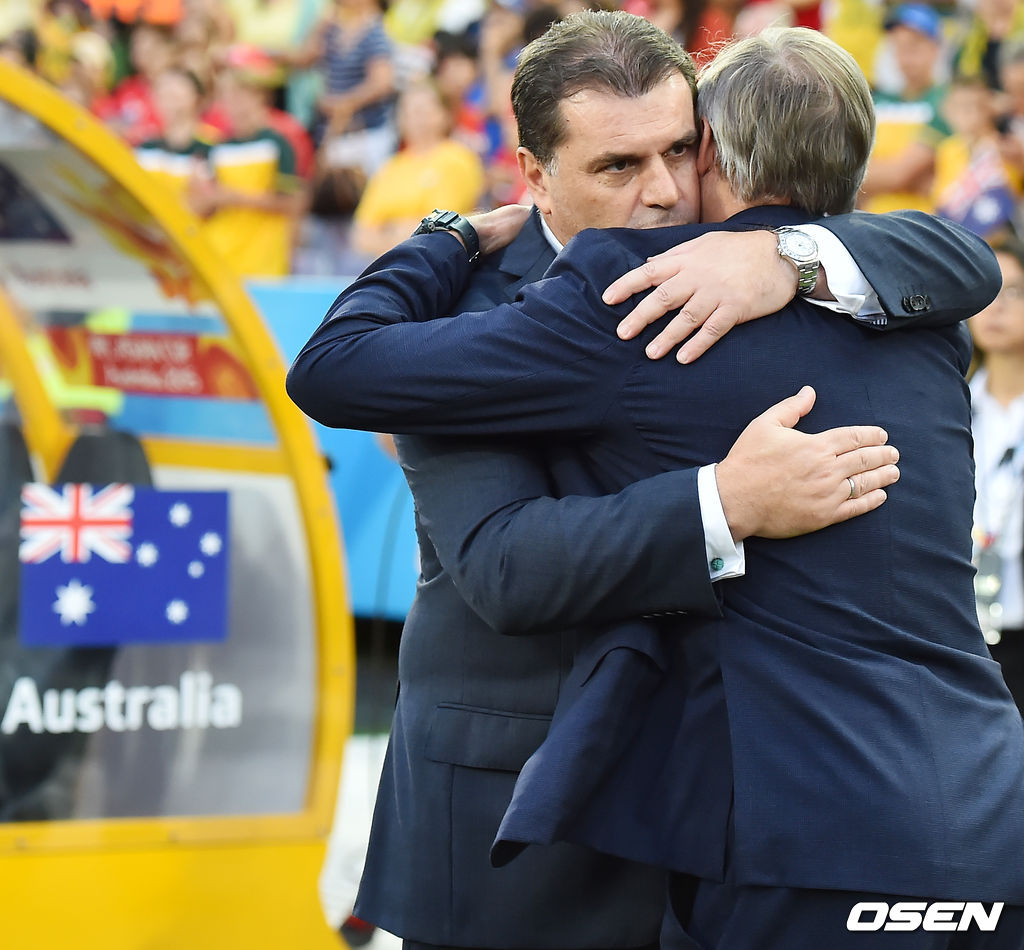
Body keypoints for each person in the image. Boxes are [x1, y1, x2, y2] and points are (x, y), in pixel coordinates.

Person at [288, 22, 1024, 947]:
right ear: (534, 172)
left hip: (737, 824)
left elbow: (958, 264)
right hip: (520, 827)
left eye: (681, 150)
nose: (666, 191)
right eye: (619, 166)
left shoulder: (802, 274)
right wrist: (725, 502)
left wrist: (780, 256)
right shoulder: (465, 313)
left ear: (714, 143)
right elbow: (507, 565)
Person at [969, 239, 1024, 714]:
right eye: (988, 293)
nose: (998, 308)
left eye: (1014, 293)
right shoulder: (954, 405)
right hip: (972, 628)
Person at [351, 78, 484, 258]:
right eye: (408, 112)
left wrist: (388, 229)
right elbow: (361, 235)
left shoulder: (457, 158)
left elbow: (441, 228)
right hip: (391, 266)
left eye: (422, 111)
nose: (415, 119)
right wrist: (401, 231)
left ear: (443, 114)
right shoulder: (391, 167)